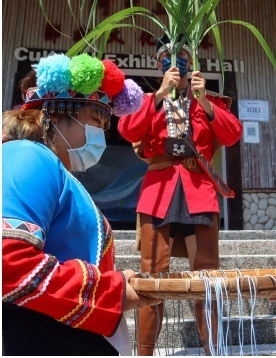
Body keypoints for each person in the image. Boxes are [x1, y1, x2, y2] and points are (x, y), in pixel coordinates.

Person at [2, 54, 159, 355]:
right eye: (96, 120)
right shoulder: (27, 156)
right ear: (58, 114)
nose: (103, 133)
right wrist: (110, 291)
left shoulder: (56, 172)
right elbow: (7, 262)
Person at [116, 38, 242, 355]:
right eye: (167, 57)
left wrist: (206, 102)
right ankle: (144, 352)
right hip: (160, 190)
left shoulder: (207, 99)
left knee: (208, 276)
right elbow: (128, 130)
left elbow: (232, 134)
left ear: (191, 59)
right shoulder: (147, 100)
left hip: (198, 189)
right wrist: (158, 94)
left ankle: (214, 349)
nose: (175, 61)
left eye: (181, 55)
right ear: (158, 62)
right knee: (152, 274)